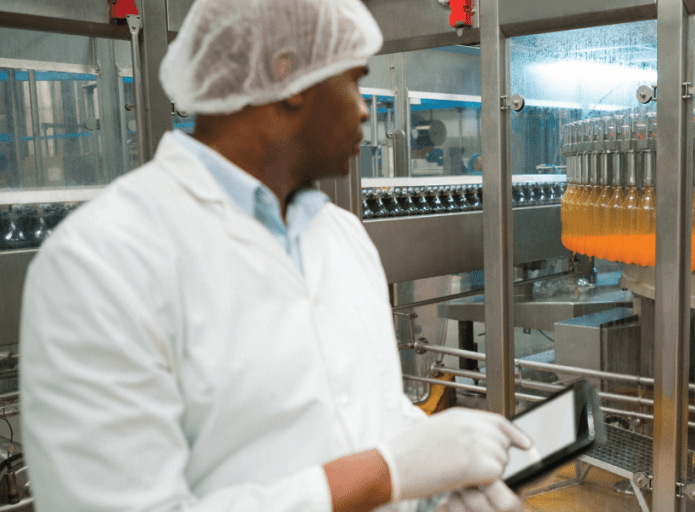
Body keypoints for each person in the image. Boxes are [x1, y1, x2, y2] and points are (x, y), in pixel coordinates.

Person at [18, 1, 531, 511]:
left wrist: (436, 483)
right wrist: (381, 475)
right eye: (352, 80)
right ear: (288, 77)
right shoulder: (103, 260)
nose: (364, 109)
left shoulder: (340, 235)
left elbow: (365, 407)